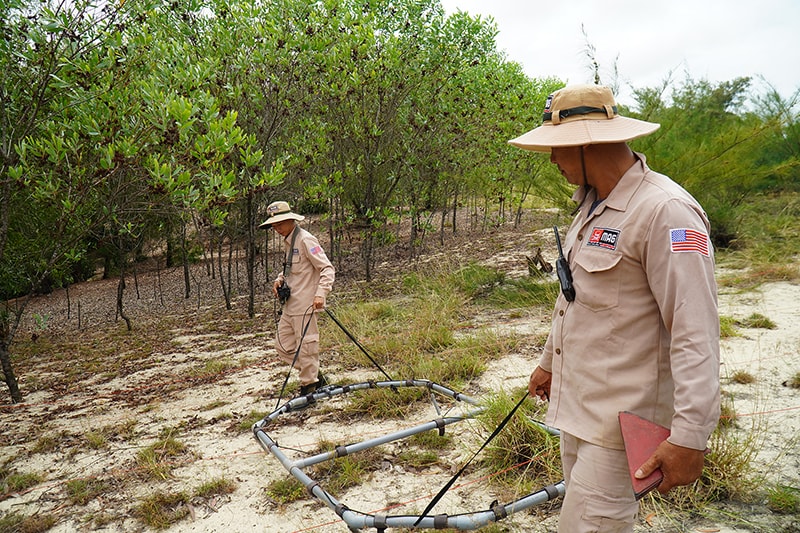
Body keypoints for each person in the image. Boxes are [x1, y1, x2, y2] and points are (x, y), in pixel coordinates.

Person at [508, 85, 720, 532]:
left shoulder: (667, 212)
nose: (552, 160)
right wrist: (549, 364)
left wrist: (690, 436)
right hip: (579, 408)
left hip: (622, 425)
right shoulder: (592, 205)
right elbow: (575, 297)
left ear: (587, 143)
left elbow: (694, 330)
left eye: (558, 148)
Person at [259, 201, 335, 396]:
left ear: (291, 220)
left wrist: (321, 294)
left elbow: (326, 269)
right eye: (274, 225)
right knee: (283, 345)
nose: (276, 229)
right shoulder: (289, 241)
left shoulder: (305, 239)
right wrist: (279, 280)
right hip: (290, 305)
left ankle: (308, 387)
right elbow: (292, 270)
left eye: (280, 224)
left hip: (306, 304)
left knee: (307, 344)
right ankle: (315, 374)